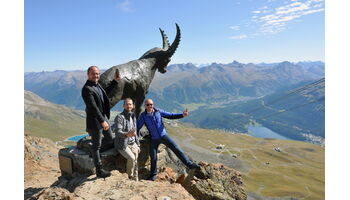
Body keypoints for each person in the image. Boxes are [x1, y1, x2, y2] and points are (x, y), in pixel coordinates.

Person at [137, 99, 200, 181]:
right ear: (145, 106)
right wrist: (135, 140)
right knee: (153, 157)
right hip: (154, 138)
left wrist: (182, 115)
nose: (150, 106)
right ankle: (153, 175)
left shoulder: (158, 111)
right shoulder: (143, 116)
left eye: (151, 104)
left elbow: (171, 115)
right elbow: (137, 127)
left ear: (153, 104)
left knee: (176, 148)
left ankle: (189, 164)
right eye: (148, 105)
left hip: (164, 136)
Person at [81, 66, 120, 178]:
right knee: (97, 145)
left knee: (109, 139)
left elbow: (104, 93)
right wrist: (102, 121)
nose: (96, 75)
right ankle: (99, 170)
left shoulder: (97, 85)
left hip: (102, 117)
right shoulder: (87, 89)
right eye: (93, 73)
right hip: (95, 121)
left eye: (97, 73)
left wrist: (115, 82)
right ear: (88, 74)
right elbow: (93, 107)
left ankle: (93, 152)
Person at [114, 98, 140, 181]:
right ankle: (129, 177)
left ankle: (136, 180)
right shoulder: (120, 117)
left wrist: (138, 144)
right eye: (127, 104)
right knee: (132, 158)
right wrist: (127, 134)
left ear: (133, 106)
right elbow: (118, 132)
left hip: (133, 143)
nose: (129, 106)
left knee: (135, 162)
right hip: (122, 144)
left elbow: (135, 132)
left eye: (130, 104)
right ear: (123, 106)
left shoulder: (133, 116)